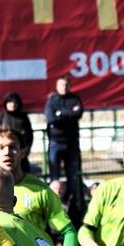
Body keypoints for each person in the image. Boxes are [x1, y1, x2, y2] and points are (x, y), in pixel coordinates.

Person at [44, 77, 84, 222]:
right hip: (56, 143)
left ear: (70, 86)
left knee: (74, 179)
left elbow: (78, 113)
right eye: (61, 84)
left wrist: (60, 114)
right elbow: (50, 118)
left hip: (72, 144)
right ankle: (53, 213)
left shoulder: (75, 98)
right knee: (54, 179)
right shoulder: (52, 100)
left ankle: (76, 213)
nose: (64, 86)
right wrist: (68, 113)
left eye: (66, 84)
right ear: (57, 85)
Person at [0, 92, 33, 172]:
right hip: (4, 151)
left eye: (14, 102)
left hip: (19, 151)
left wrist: (26, 149)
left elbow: (29, 135)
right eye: (9, 102)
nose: (12, 105)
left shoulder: (23, 117)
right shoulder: (1, 116)